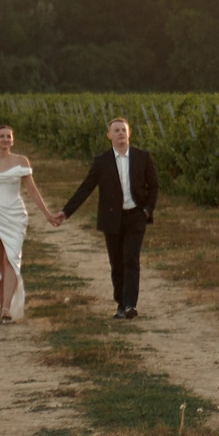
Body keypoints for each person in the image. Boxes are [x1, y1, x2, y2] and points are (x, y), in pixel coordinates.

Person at [57, 115, 159, 318]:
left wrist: (147, 209)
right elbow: (85, 188)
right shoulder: (101, 162)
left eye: (124, 130)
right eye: (116, 130)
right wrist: (66, 212)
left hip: (135, 216)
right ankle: (120, 304)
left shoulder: (142, 157)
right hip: (112, 218)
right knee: (117, 263)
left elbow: (154, 185)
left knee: (131, 259)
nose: (121, 133)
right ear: (109, 135)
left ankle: (131, 305)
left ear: (129, 133)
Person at [0, 123, 56, 323]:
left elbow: (31, 190)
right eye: (2, 136)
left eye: (9, 137)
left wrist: (47, 214)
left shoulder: (21, 161)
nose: (5, 140)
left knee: (11, 259)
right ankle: (2, 304)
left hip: (15, 214)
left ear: (12, 140)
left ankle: (6, 308)